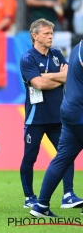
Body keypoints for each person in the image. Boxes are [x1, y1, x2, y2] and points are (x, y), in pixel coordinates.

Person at [20, 18, 83, 209]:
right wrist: (58, 78)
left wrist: (46, 76)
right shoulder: (27, 58)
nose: (50, 37)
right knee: (30, 157)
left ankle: (68, 194)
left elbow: (69, 76)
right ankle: (29, 196)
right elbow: (38, 84)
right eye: (46, 34)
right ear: (35, 35)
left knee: (66, 154)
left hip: (58, 116)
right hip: (36, 117)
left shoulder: (56, 54)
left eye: (51, 34)